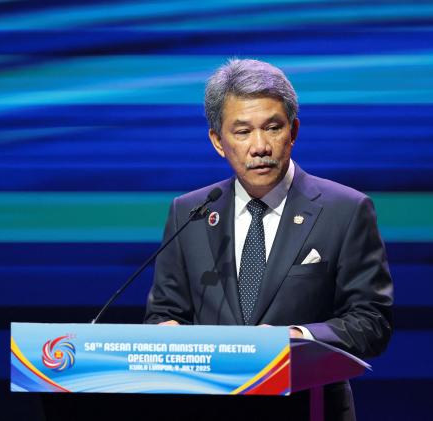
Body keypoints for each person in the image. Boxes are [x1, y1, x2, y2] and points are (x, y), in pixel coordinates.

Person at [145, 58, 393, 420]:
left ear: (293, 131)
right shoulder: (190, 213)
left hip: (309, 408)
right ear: (218, 141)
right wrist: (165, 333)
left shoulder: (345, 209)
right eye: (242, 132)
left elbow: (372, 322)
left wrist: (297, 337)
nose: (260, 146)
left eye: (273, 128)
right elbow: (164, 315)